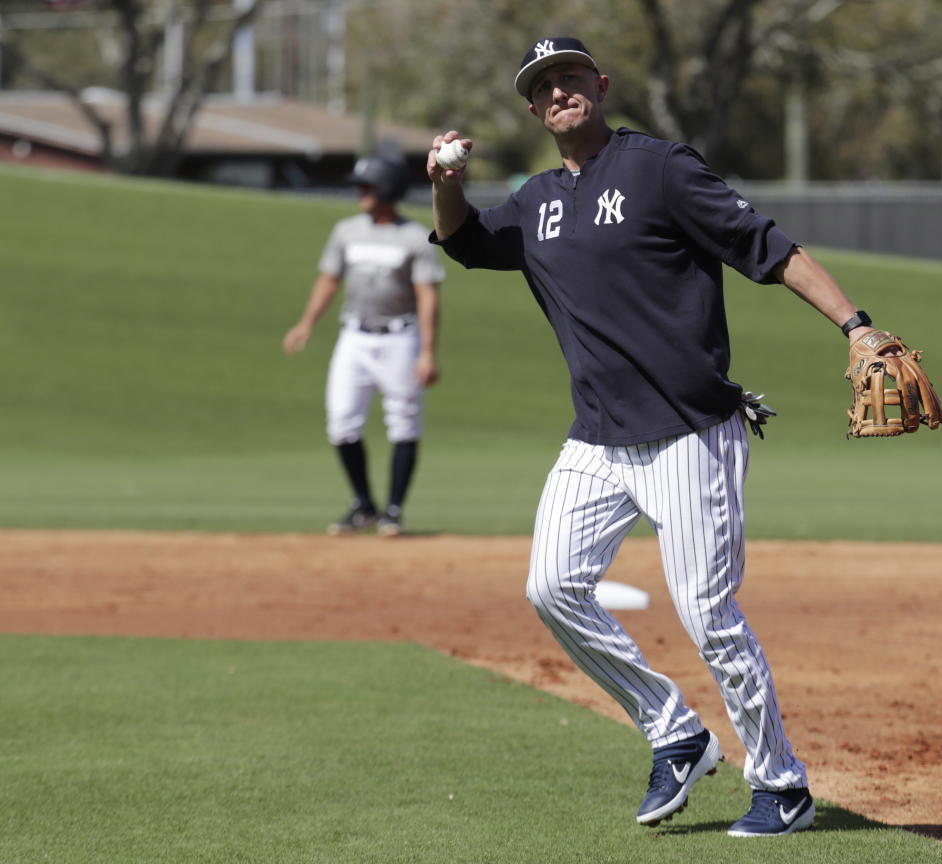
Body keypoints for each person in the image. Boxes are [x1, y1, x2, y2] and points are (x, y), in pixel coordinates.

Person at [427, 37, 880, 837]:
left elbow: (766, 248)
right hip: (597, 440)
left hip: (689, 433)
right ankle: (675, 729)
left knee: (707, 613)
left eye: (570, 75)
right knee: (551, 588)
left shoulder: (661, 168)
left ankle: (782, 785)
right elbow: (465, 244)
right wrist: (446, 184)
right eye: (544, 85)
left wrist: (856, 325)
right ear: (533, 110)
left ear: (600, 86)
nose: (559, 90)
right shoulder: (536, 202)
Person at [283, 155, 443, 537]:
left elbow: (428, 297)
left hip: (400, 338)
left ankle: (393, 511)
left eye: (367, 186)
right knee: (341, 421)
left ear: (387, 189)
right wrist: (306, 323)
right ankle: (363, 506)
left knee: (404, 423)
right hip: (353, 336)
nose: (360, 193)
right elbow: (328, 281)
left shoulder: (415, 237)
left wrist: (427, 352)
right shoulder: (346, 231)